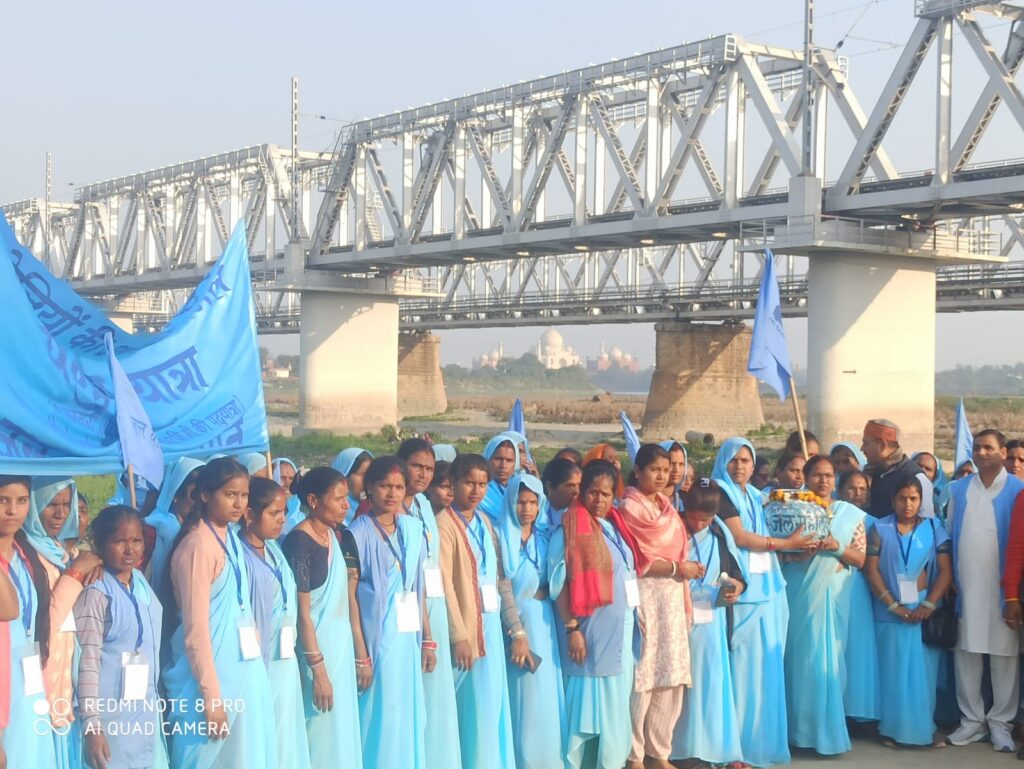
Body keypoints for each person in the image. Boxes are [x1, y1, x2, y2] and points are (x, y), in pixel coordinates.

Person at [162, 458, 276, 769]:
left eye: (244, 495)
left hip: (243, 671)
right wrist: (212, 699)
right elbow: (196, 631)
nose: (239, 503)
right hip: (210, 684)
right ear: (204, 495)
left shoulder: (230, 538)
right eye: (230, 495)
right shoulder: (198, 545)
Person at [712, 438, 813, 767]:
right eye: (733, 460)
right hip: (744, 592)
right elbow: (739, 537)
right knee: (743, 669)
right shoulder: (720, 493)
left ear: (754, 465)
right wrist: (786, 542)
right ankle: (737, 749)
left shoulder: (759, 496)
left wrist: (803, 541)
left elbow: (786, 518)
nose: (739, 466)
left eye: (746, 460)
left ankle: (766, 745)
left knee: (768, 669)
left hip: (770, 590)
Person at [547, 460, 642, 769]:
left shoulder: (614, 524)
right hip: (588, 634)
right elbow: (559, 584)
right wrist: (572, 627)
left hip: (619, 632)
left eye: (606, 493)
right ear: (582, 491)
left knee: (615, 708)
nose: (599, 500)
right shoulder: (570, 527)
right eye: (592, 493)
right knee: (587, 713)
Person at [437, 454, 526, 769]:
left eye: (482, 484)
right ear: (454, 484)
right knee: (470, 712)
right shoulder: (444, 524)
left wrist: (517, 630)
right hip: (467, 632)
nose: (476, 491)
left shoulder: (486, 522)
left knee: (491, 708)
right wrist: (458, 634)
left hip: (490, 627)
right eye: (469, 483)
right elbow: (444, 584)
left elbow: (501, 580)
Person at [348, 456, 434, 769]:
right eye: (384, 485)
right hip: (378, 638)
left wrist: (428, 639)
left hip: (408, 638)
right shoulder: (356, 533)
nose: (392, 493)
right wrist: (361, 654)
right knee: (380, 712)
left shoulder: (412, 529)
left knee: (407, 711)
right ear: (369, 488)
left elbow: (419, 587)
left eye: (398, 487)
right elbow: (351, 599)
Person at [781, 455, 867, 755]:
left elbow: (859, 558)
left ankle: (824, 734)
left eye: (829, 475)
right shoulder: (790, 509)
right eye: (816, 475)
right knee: (796, 663)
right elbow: (779, 552)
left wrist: (835, 546)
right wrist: (794, 553)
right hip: (796, 592)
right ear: (805, 477)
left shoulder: (849, 514)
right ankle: (796, 733)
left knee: (825, 662)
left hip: (831, 596)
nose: (823, 481)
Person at [945, 429, 1024, 751]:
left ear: (1003, 452)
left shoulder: (1018, 489)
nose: (980, 453)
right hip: (967, 587)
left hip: (1004, 591)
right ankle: (971, 721)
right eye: (976, 447)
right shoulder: (958, 489)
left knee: (1004, 657)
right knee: (967, 653)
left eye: (988, 448)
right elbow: (949, 533)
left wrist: (1013, 594)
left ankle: (1001, 723)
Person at [74, 505, 169, 769]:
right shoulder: (96, 591)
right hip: (111, 718)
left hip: (145, 711)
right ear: (100, 544)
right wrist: (92, 725)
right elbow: (88, 661)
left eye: (136, 541)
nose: (130, 550)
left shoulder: (140, 581)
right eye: (119, 541)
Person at [618, 443, 695, 769]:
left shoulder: (667, 506)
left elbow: (679, 548)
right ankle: (634, 754)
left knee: (671, 673)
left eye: (666, 470)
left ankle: (659, 752)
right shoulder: (629, 509)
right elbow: (641, 558)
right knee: (644, 675)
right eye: (655, 470)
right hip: (647, 596)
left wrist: (681, 572)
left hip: (673, 599)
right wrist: (679, 569)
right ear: (637, 471)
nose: (663, 475)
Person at [282, 467, 363, 769]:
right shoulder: (299, 542)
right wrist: (319, 670)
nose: (346, 505)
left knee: (341, 733)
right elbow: (303, 613)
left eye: (346, 498)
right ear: (314, 500)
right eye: (338, 498)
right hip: (316, 656)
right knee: (318, 735)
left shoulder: (334, 535)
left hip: (340, 650)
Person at [863, 476, 952, 747]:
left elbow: (946, 571)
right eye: (902, 498)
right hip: (889, 611)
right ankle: (892, 730)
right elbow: (871, 570)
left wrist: (928, 605)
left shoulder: (935, 529)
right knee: (893, 672)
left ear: (921, 501)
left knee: (923, 675)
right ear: (893, 500)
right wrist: (893, 606)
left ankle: (923, 730)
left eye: (914, 498)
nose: (908, 504)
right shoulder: (880, 528)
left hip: (924, 610)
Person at [26, 477, 103, 768]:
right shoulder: (30, 554)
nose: (60, 514)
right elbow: (45, 621)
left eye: (65, 504)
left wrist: (86, 564)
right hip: (42, 676)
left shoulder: (59, 551)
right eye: (50, 505)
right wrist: (75, 575)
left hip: (64, 681)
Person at [670, 478, 746, 767]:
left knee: (712, 686)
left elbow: (738, 574)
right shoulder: (674, 534)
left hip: (712, 623)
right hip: (682, 619)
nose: (700, 525)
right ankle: (680, 749)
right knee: (682, 689)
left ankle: (712, 748)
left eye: (707, 519)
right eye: (693, 518)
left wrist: (735, 588)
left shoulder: (719, 536)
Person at [397, 439, 462, 769]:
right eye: (416, 466)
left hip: (431, 608)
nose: (422, 474)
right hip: (403, 615)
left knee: (435, 700)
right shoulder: (388, 508)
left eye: (429, 469)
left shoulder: (423, 505)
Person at [239, 477, 310, 769]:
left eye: (283, 512)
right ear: (249, 514)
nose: (282, 520)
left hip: (284, 660)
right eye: (273, 513)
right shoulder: (240, 555)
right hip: (260, 660)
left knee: (286, 737)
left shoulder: (274, 549)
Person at [497, 473, 568, 769]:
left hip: (545, 621)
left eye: (532, 502)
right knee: (523, 697)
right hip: (516, 624)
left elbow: (554, 579)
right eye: (520, 501)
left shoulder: (545, 536)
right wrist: (517, 631)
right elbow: (504, 585)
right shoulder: (500, 536)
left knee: (546, 695)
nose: (526, 509)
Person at [0, 475, 58, 766]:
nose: (12, 510)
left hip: (29, 675)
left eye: (21, 501)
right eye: (3, 500)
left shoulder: (27, 555)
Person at [144, 457, 204, 597]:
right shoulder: (155, 528)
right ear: (176, 494)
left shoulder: (208, 530)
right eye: (194, 495)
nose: (201, 503)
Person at [861, 419, 921, 518]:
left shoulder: (915, 476)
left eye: (866, 443)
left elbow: (925, 521)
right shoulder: (868, 473)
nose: (862, 449)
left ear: (882, 445)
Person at [479, 434, 520, 524]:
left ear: (516, 463)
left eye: (509, 460)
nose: (503, 466)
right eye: (498, 459)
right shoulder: (480, 491)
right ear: (488, 458)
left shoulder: (520, 489)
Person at [331, 448, 374, 525]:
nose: (368, 480)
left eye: (371, 474)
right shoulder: (331, 517)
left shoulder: (377, 506)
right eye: (362, 474)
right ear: (344, 476)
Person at [541, 457, 581, 530]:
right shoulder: (538, 514)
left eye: (579, 485)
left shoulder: (584, 514)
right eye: (570, 486)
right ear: (550, 487)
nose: (577, 491)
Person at [273, 458, 304, 539]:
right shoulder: (265, 512)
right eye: (283, 478)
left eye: (291, 478)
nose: (287, 483)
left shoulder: (301, 516)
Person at [913, 451, 951, 519]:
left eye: (928, 469)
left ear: (935, 477)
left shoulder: (938, 502)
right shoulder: (895, 490)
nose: (922, 470)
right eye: (919, 465)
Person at [659, 441, 688, 512]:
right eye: (672, 464)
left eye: (681, 464)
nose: (677, 470)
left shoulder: (686, 500)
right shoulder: (648, 499)